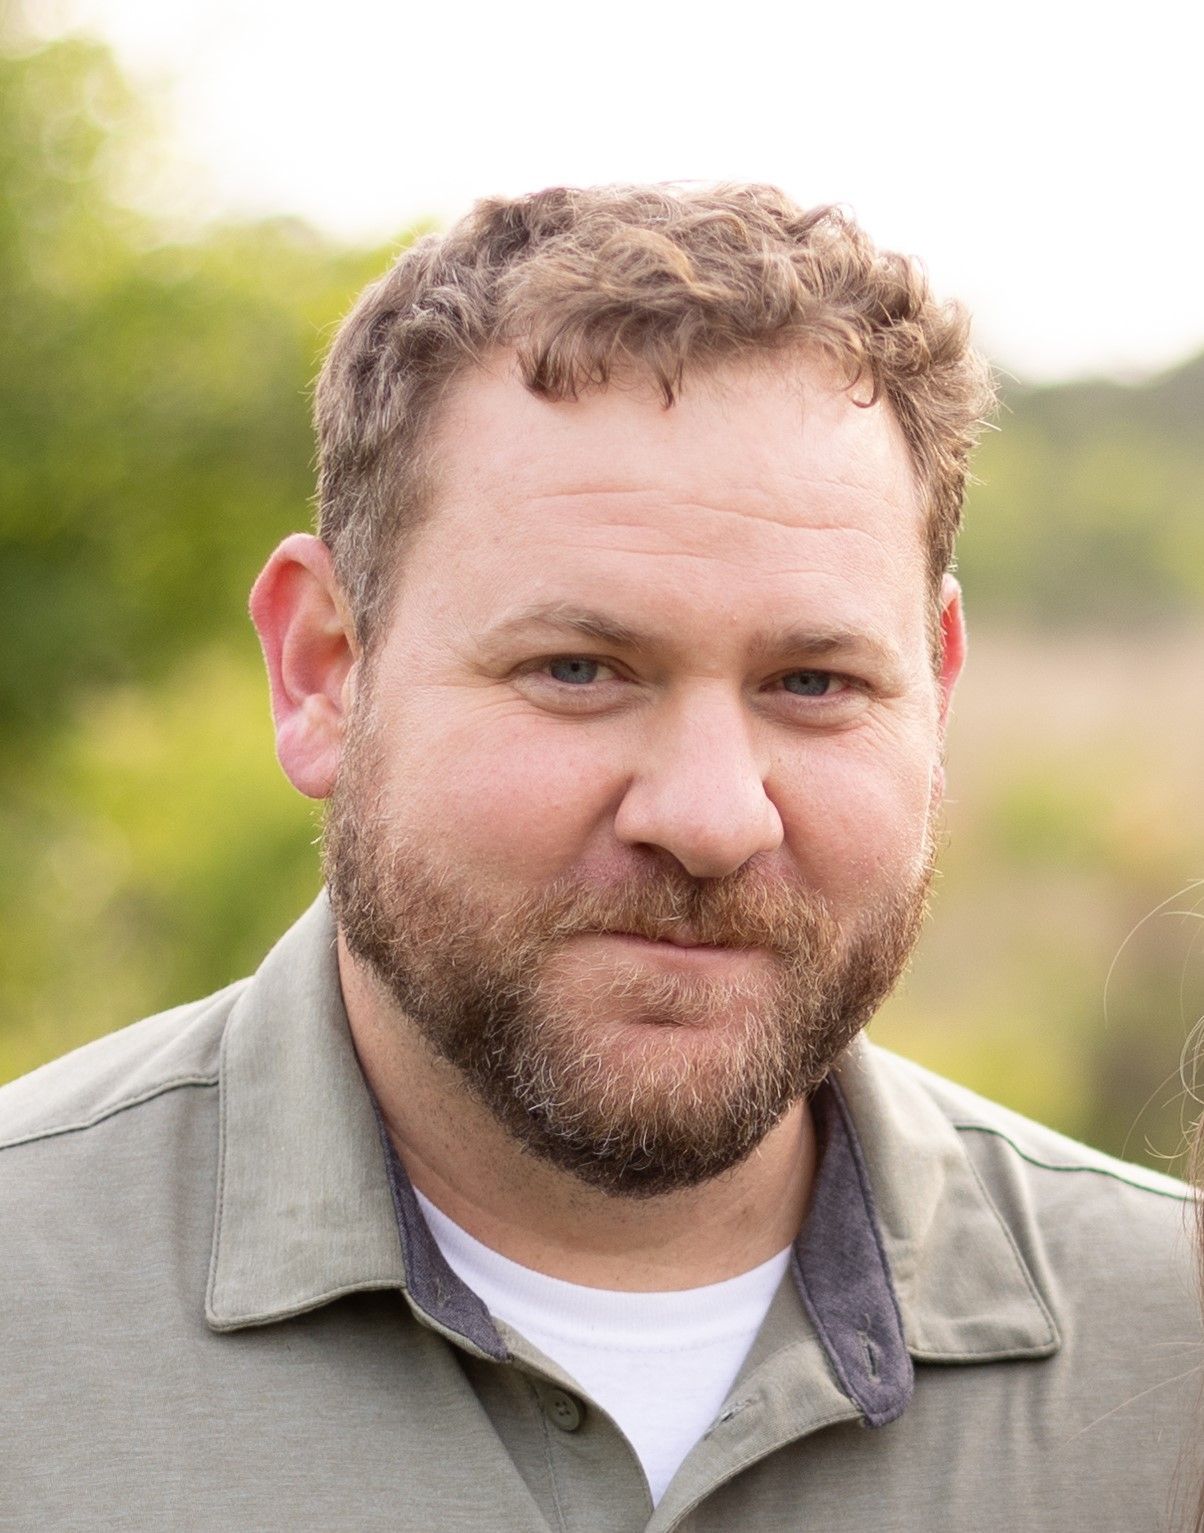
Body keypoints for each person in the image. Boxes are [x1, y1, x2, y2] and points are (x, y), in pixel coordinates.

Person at [1, 184, 1198, 1532]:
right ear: (324, 670)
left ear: (940, 690)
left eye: (813, 682)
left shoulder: (1174, 1359)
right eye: (578, 668)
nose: (710, 816)